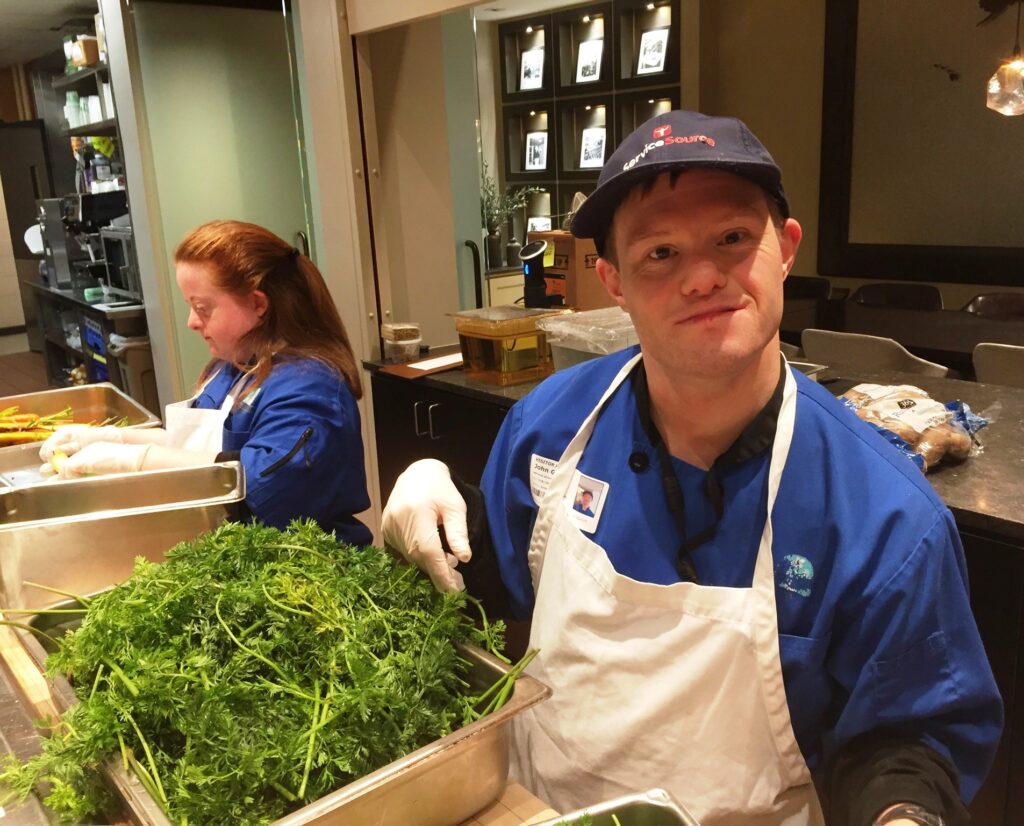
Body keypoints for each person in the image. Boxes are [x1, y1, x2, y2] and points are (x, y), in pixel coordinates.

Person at [381, 111, 1002, 826]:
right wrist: (436, 506)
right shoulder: (552, 424)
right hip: (538, 809)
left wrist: (903, 814)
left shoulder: (884, 514)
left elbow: (905, 741)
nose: (704, 277)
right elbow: (496, 584)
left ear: (786, 248)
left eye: (733, 239)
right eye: (660, 253)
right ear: (613, 280)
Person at [40, 219, 372, 547]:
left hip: (300, 574)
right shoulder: (234, 366)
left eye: (202, 308)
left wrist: (135, 460)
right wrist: (112, 437)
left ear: (258, 304)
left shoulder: (311, 389)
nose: (191, 322)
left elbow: (253, 485)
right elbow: (199, 447)